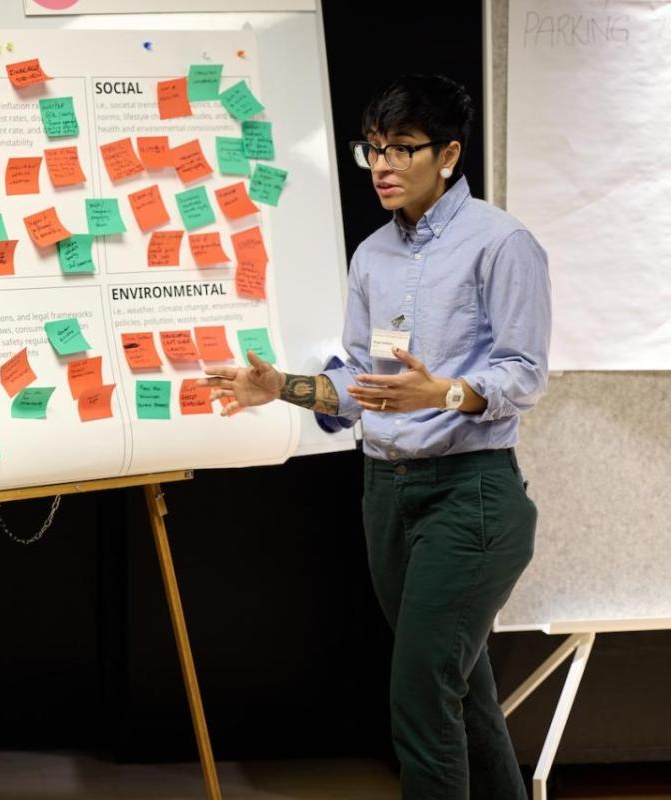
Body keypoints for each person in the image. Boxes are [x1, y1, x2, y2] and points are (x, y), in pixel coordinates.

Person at [202, 74, 551, 799]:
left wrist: (447, 391)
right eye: (373, 150)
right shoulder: (372, 257)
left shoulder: (502, 243)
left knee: (422, 701)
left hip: (471, 495)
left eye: (402, 149)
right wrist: (283, 389)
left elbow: (525, 373)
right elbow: (359, 383)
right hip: (386, 498)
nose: (383, 166)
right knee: (462, 695)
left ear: (449, 154)